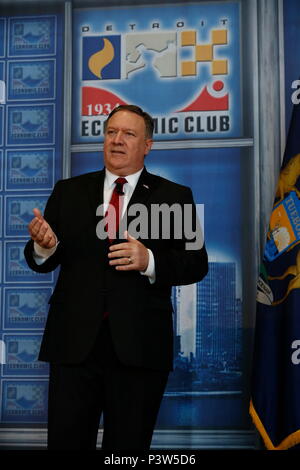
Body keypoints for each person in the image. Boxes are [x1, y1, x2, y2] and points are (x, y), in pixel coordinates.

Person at [24, 104, 208, 451]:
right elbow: (44, 260)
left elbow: (196, 263)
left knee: (127, 450)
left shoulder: (174, 196)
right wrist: (44, 247)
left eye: (128, 134)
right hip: (74, 347)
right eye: (111, 132)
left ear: (147, 145)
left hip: (140, 347)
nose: (117, 140)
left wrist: (149, 260)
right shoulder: (69, 191)